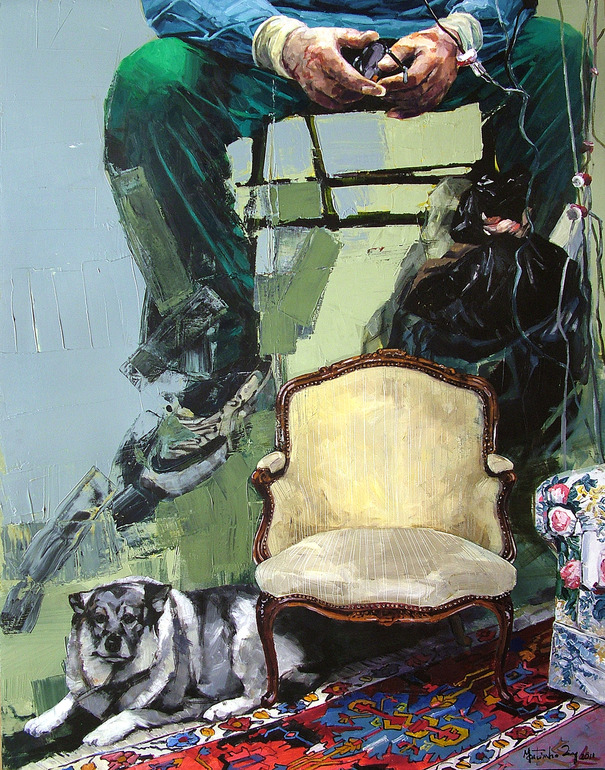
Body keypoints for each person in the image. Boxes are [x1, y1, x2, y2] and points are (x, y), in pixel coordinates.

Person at [103, 0, 586, 518]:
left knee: (557, 54)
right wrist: (281, 43)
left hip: (432, 42)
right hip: (268, 47)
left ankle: (513, 320)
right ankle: (217, 351)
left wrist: (455, 35)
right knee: (149, 85)